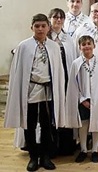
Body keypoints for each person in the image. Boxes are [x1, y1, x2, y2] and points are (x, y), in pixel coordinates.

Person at [4, 14, 66, 171]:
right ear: (31, 27)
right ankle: (33, 157)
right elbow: (18, 71)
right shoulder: (24, 46)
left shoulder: (53, 46)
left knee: (46, 125)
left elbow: (58, 71)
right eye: (37, 26)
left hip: (48, 90)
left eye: (43, 26)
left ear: (48, 27)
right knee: (30, 124)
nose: (40, 29)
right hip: (31, 90)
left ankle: (45, 157)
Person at [65, 35, 98, 163]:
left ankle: (95, 150)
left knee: (96, 124)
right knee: (84, 125)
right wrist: (82, 99)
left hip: (97, 100)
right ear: (79, 47)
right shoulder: (76, 63)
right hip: (82, 100)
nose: (86, 46)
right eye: (83, 44)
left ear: (94, 45)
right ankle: (83, 149)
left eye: (88, 43)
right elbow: (73, 84)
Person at [48, 8, 77, 156]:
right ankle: (51, 146)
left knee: (65, 112)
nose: (58, 20)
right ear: (50, 19)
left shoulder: (68, 39)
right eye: (55, 17)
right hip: (50, 82)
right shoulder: (46, 39)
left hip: (66, 80)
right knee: (51, 113)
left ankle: (66, 145)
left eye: (61, 18)